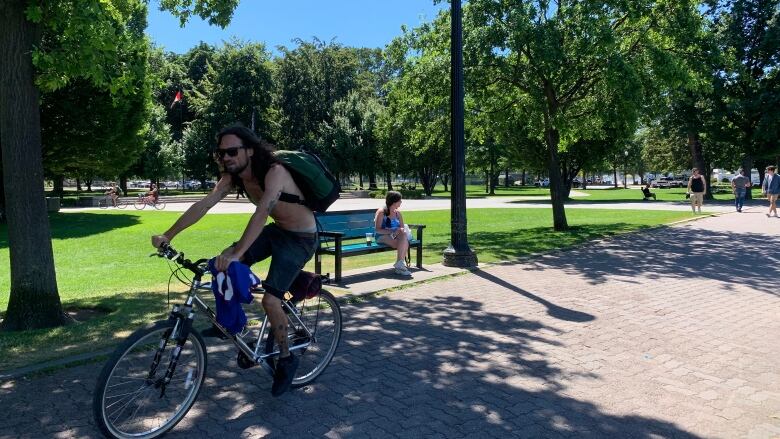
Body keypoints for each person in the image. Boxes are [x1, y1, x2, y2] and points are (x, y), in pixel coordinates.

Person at [151, 125, 317, 397]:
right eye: (221, 153)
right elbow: (205, 204)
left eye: (231, 151)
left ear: (250, 150)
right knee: (219, 266)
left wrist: (238, 254)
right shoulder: (233, 177)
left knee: (270, 300)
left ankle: (286, 358)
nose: (226, 158)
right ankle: (234, 326)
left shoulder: (275, 172)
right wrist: (168, 234)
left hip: (300, 238)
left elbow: (262, 213)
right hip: (278, 231)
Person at [374, 191, 412, 276]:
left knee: (403, 235)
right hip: (382, 236)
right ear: (394, 202)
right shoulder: (381, 212)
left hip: (396, 237)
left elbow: (402, 228)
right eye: (400, 200)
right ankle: (400, 266)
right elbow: (378, 229)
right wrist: (393, 231)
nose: (401, 202)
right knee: (403, 243)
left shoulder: (398, 213)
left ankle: (399, 265)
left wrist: (400, 230)